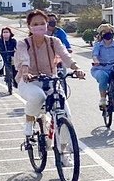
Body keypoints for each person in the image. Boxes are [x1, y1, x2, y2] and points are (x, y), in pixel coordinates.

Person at [14, 10, 85, 139]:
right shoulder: (23, 43)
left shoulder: (54, 41)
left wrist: (77, 68)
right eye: (35, 24)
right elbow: (25, 60)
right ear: (29, 26)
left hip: (51, 80)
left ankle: (64, 152)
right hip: (30, 81)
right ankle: (29, 121)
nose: (39, 26)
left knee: (65, 115)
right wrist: (25, 73)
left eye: (42, 23)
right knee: (38, 96)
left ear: (47, 24)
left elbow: (65, 56)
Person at [0, 27, 18, 91]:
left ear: (10, 33)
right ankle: (1, 72)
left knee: (14, 68)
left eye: (7, 32)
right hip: (3, 55)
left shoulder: (13, 41)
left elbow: (16, 48)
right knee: (1, 62)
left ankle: (15, 81)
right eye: (4, 32)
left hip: (11, 56)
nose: (5, 33)